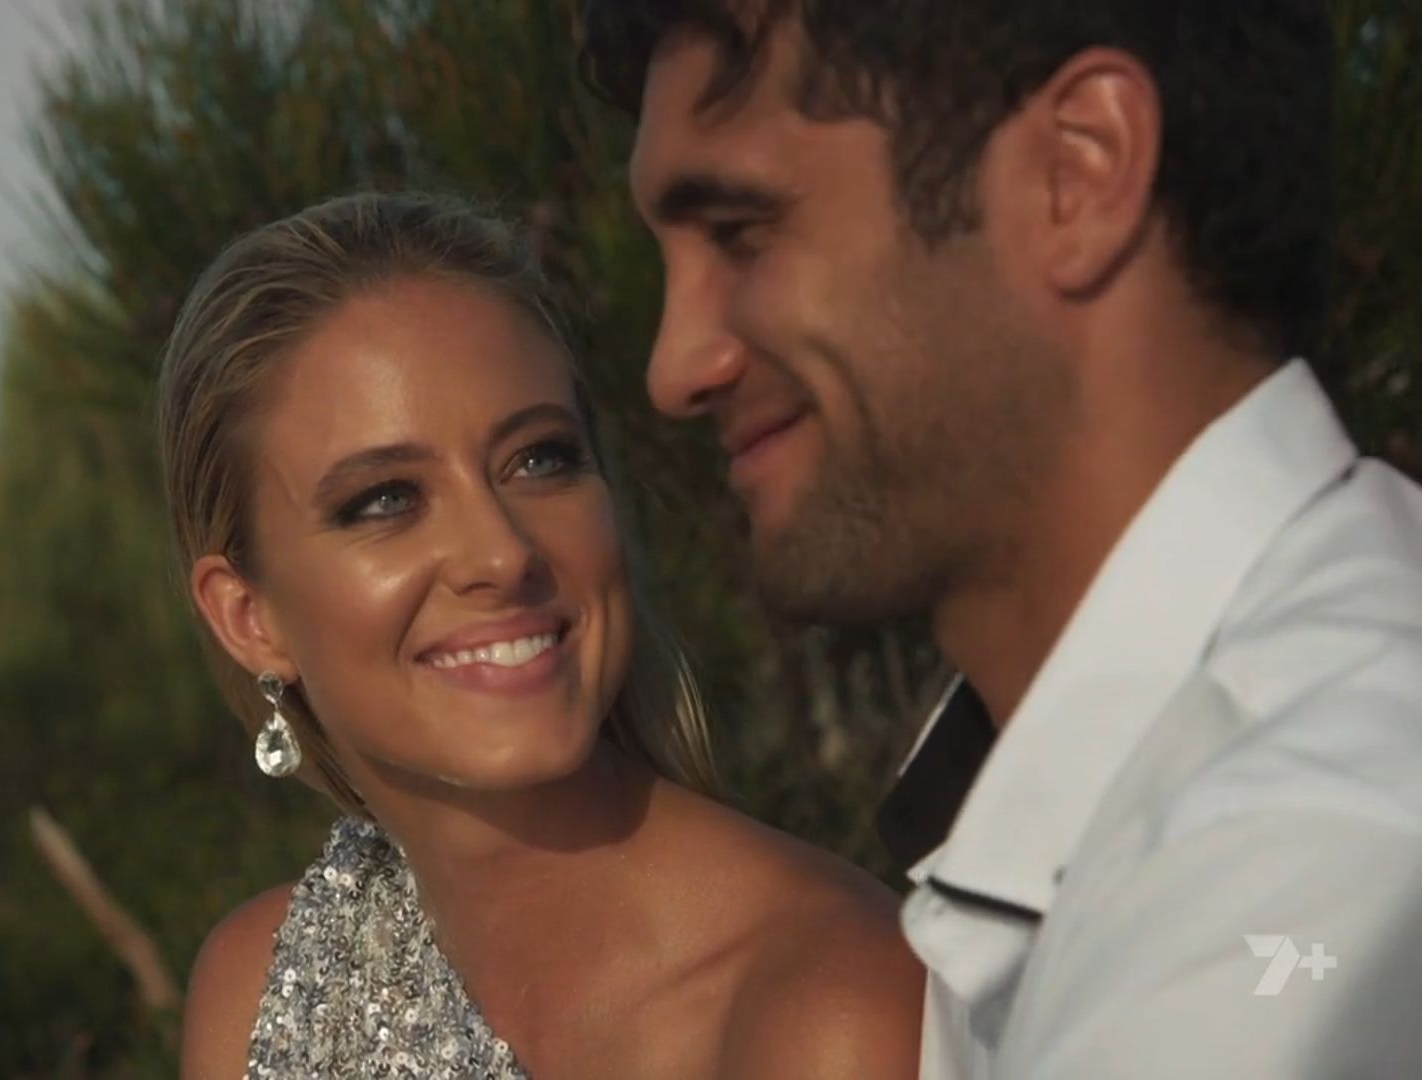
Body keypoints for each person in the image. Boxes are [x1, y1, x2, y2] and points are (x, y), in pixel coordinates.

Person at [579, 0, 1422, 1076]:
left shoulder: (1303, 864)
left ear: (1078, 173)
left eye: (742, 233)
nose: (674, 366)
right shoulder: (1134, 805)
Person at [161, 191, 921, 1078]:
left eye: (539, 459)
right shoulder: (259, 996)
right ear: (249, 618)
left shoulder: (835, 1011)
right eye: (386, 500)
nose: (503, 552)